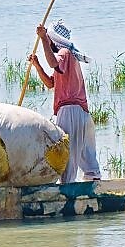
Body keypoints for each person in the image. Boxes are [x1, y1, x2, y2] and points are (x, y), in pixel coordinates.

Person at [29, 20, 102, 182]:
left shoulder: (64, 53)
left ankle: (67, 189)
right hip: (82, 113)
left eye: (49, 39)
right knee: (86, 153)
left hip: (69, 111)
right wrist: (37, 65)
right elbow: (50, 83)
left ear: (54, 40)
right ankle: (94, 182)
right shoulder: (69, 56)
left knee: (67, 153)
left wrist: (42, 39)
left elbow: (53, 63)